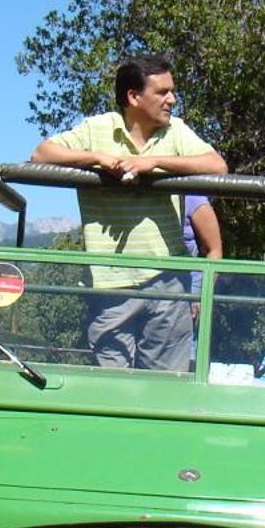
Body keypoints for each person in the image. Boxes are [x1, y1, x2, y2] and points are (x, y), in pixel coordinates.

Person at [31, 54, 227, 369]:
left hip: (168, 283)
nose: (172, 99)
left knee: (164, 390)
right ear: (133, 97)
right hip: (109, 282)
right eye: (162, 92)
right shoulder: (97, 128)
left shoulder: (175, 131)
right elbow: (41, 155)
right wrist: (99, 159)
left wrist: (154, 164)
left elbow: (217, 165)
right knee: (112, 389)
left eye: (172, 91)